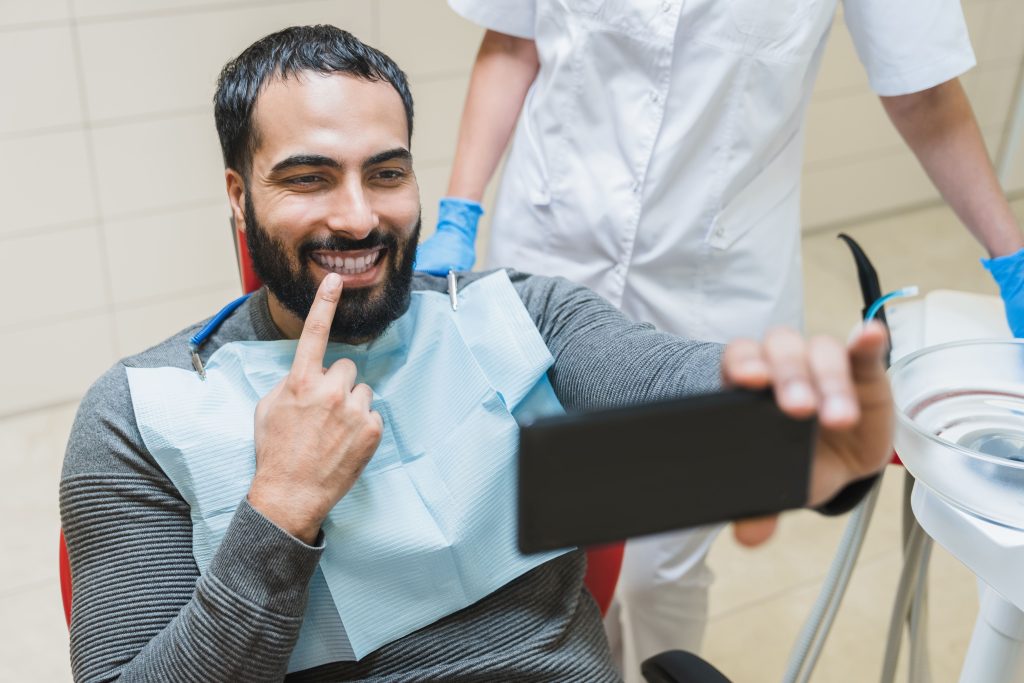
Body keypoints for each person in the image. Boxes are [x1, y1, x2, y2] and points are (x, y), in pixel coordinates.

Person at [61, 25, 894, 682]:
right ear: (240, 197)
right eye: (310, 178)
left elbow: (679, 388)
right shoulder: (139, 414)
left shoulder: (521, 318)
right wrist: (277, 510)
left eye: (386, 173)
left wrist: (800, 432)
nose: (358, 217)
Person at [413, 1, 1024, 676]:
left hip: (713, 287)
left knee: (658, 571)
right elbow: (512, 44)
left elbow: (925, 89)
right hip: (554, 246)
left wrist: (1013, 256)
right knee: (542, 531)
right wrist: (458, 212)